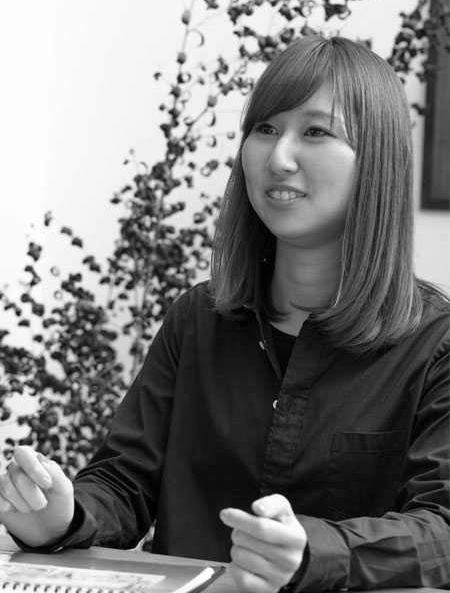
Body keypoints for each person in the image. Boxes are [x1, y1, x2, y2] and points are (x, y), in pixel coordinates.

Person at [0, 34, 448, 592]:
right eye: (265, 129)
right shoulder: (197, 317)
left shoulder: (435, 344)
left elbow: (442, 530)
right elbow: (125, 480)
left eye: (316, 132)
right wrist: (62, 518)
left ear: (376, 160)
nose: (278, 159)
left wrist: (315, 553)